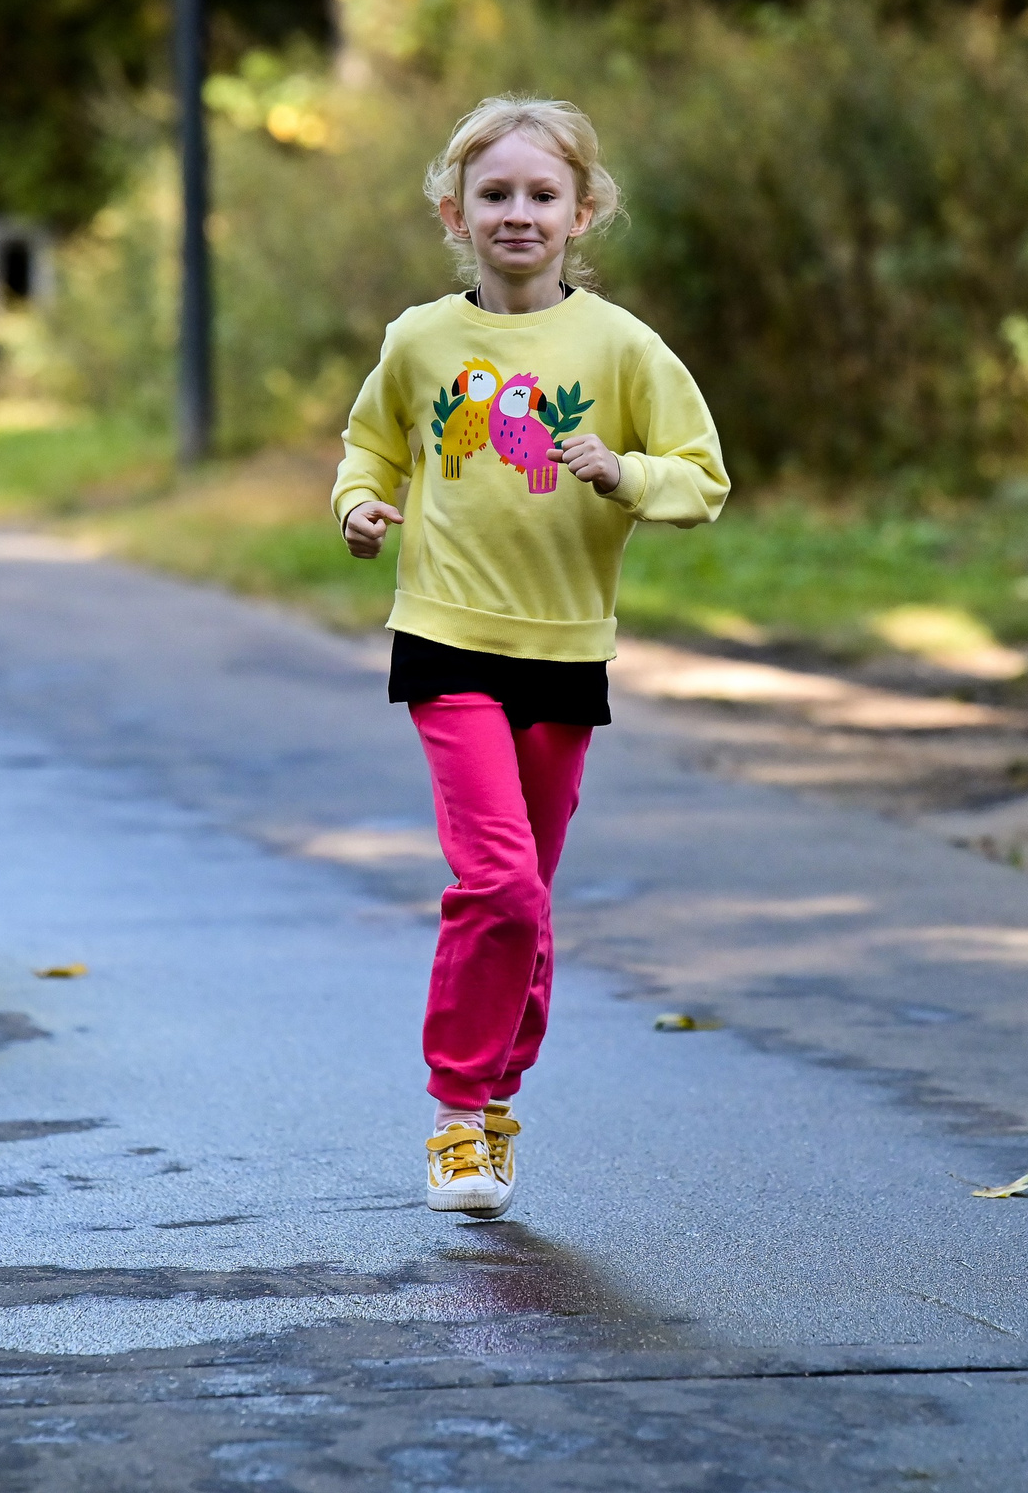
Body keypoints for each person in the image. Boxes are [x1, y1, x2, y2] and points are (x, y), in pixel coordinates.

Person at [333, 97, 730, 1217]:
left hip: (562, 651)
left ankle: (498, 1090)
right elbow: (369, 447)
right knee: (497, 880)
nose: (518, 213)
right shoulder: (419, 339)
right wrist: (362, 505)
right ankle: (459, 1113)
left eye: (541, 194)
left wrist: (626, 474)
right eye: (494, 194)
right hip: (446, 638)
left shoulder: (619, 346)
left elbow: (701, 476)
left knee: (531, 898)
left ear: (583, 211)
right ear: (454, 213)